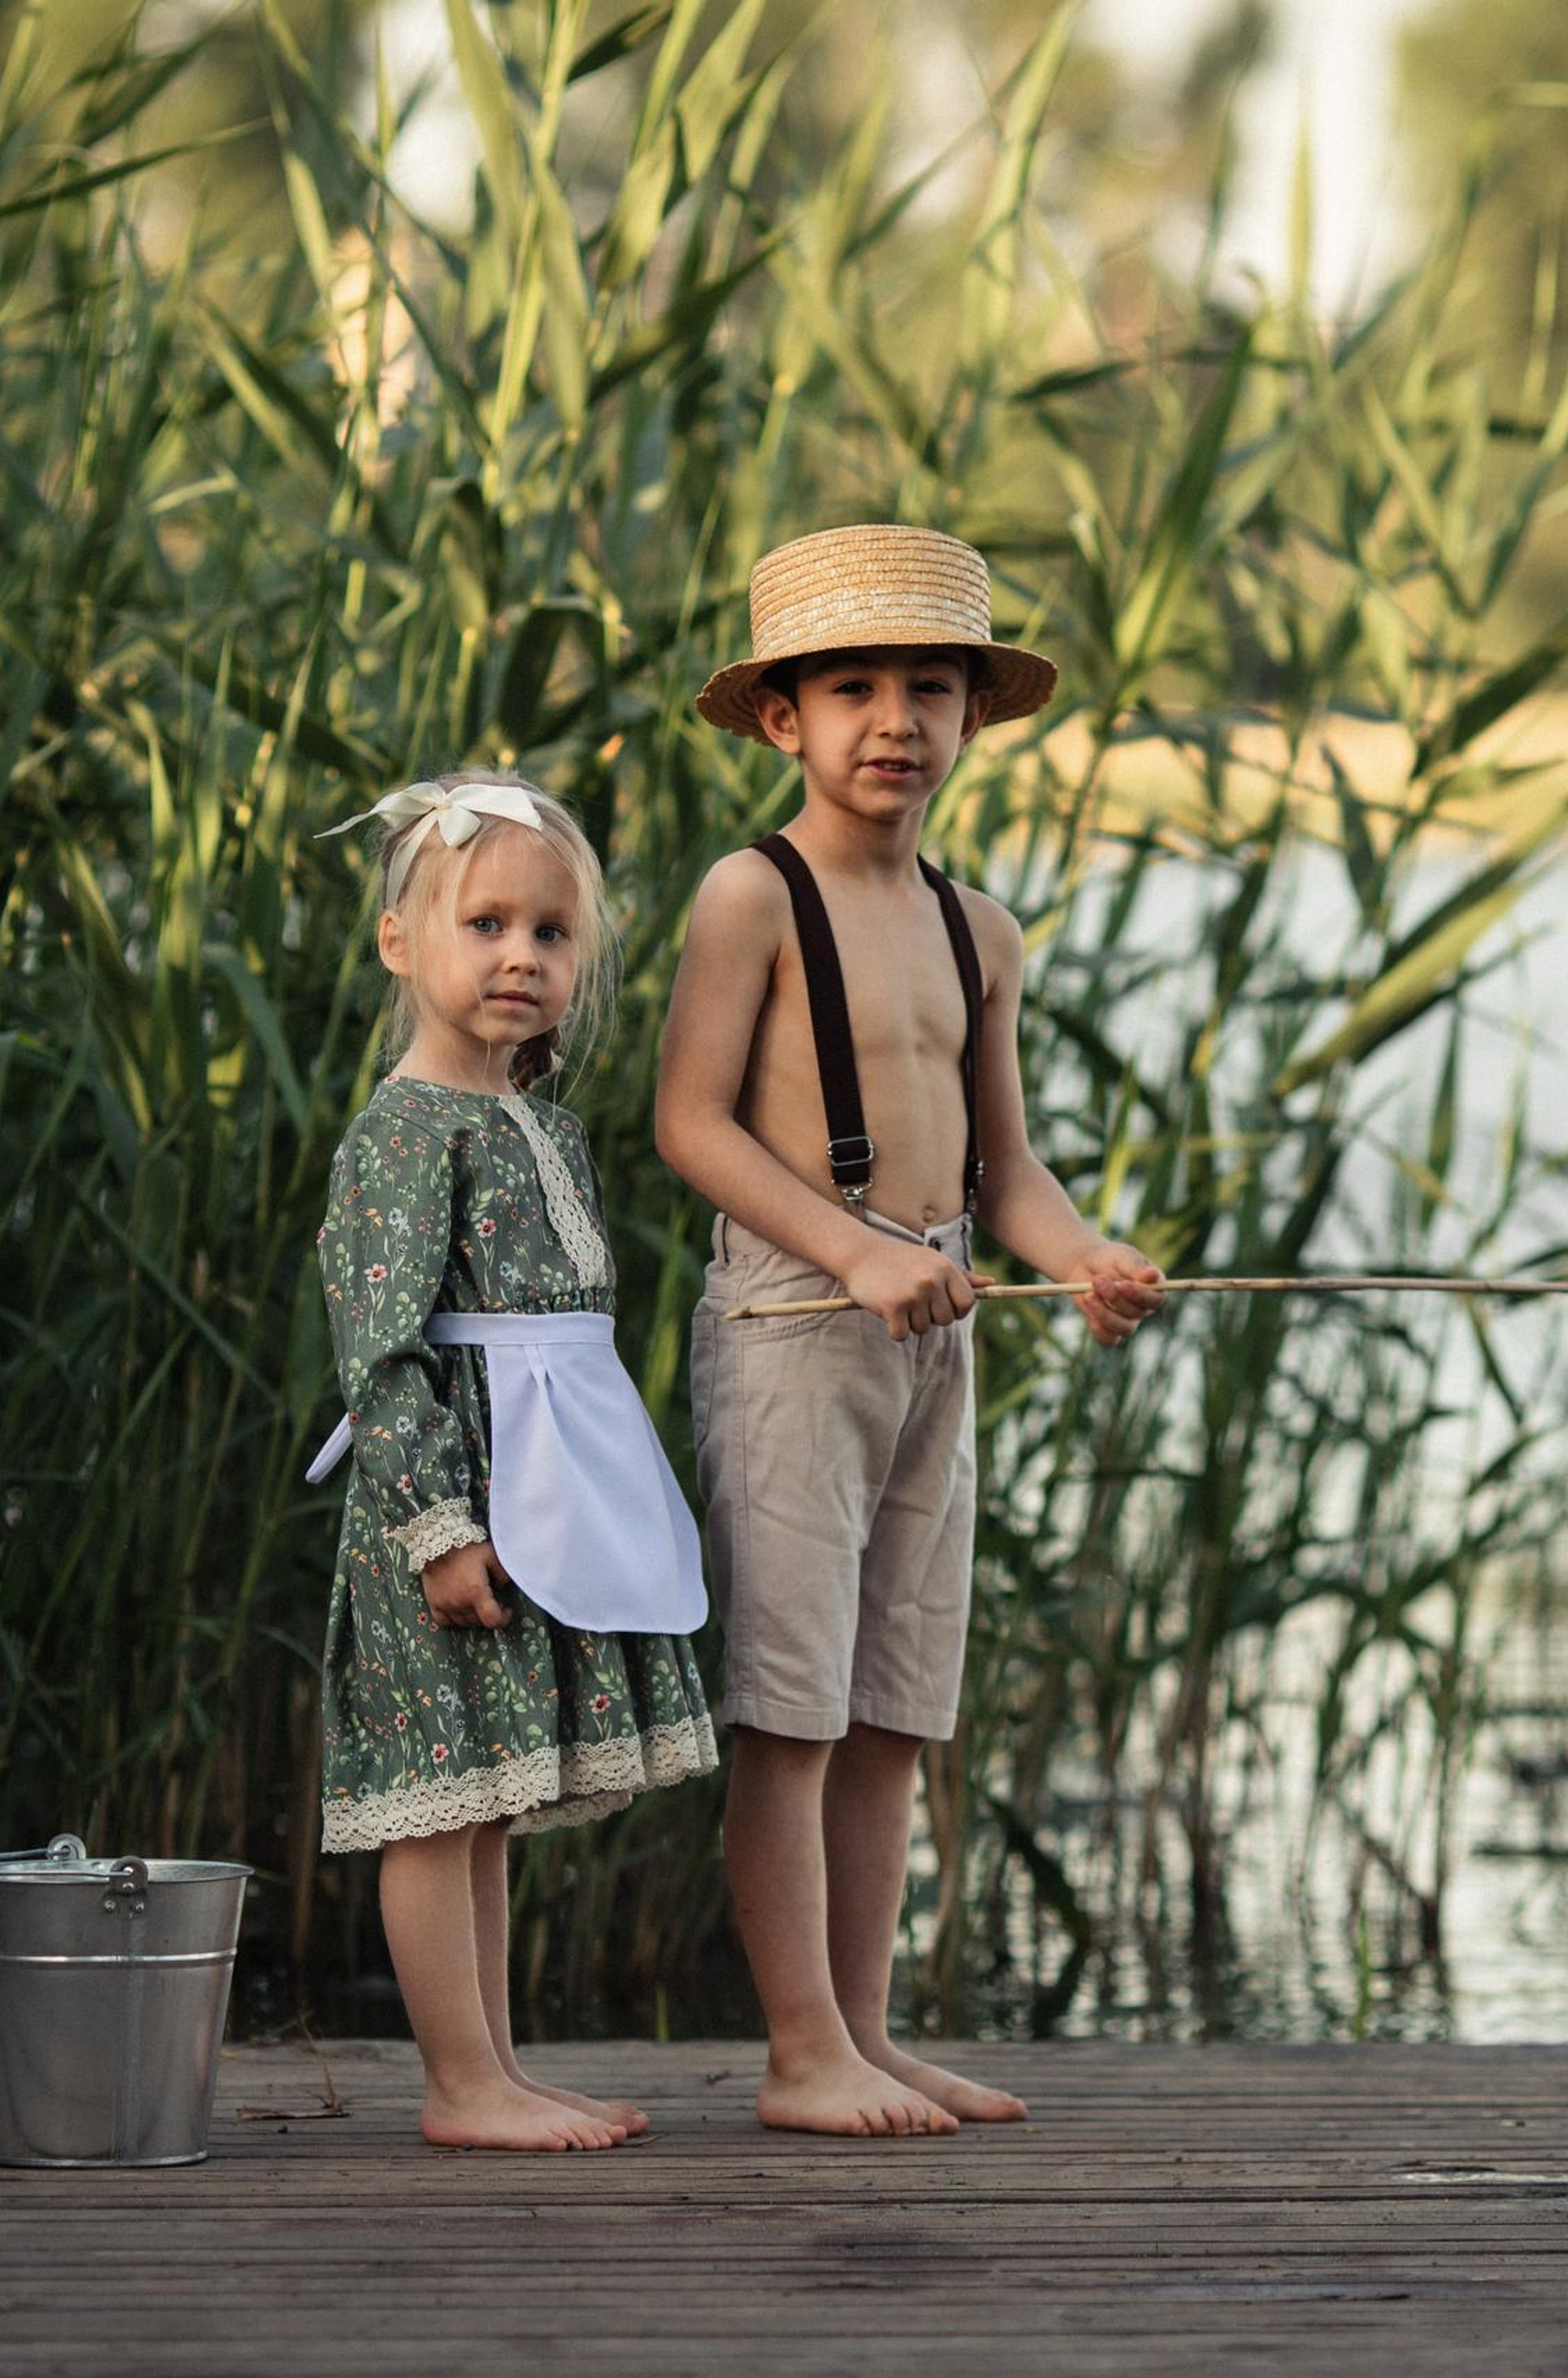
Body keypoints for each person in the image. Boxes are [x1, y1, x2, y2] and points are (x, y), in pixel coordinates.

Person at [656, 524, 1165, 2138]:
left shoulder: (980, 926)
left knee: (891, 1708)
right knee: (792, 1707)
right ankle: (799, 2048)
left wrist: (1084, 1256)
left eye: (928, 689)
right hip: (797, 1323)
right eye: (854, 687)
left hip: (937, 1332)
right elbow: (692, 1126)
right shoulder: (750, 895)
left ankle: (864, 2037)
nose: (894, 719)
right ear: (783, 718)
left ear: (969, 718)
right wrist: (858, 1250)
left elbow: (1009, 1169)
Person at [307, 771, 718, 2151]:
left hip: (538, 1479)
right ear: (399, 941)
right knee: (437, 1806)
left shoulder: (539, 1122)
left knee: (488, 1800)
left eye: (549, 935)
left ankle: (496, 2065)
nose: (518, 958)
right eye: (484, 924)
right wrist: (436, 1527)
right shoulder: (405, 1133)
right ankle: (458, 2084)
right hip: (455, 1502)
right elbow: (380, 1353)